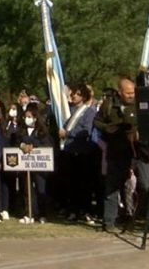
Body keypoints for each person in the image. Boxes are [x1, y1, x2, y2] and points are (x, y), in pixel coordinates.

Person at [95, 79, 137, 232]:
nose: (131, 96)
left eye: (133, 92)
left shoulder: (140, 104)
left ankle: (133, 219)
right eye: (128, 93)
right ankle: (109, 222)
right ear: (120, 92)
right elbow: (97, 122)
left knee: (136, 188)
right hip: (115, 151)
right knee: (112, 188)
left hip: (136, 151)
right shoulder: (109, 105)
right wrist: (110, 129)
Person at [58, 83, 97, 222]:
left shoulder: (89, 111)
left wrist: (68, 133)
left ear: (84, 96)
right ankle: (72, 210)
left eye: (77, 94)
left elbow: (86, 130)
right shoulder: (74, 110)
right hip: (70, 151)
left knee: (83, 183)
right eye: (73, 93)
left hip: (81, 152)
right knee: (72, 183)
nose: (74, 96)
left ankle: (84, 210)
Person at [14, 106, 51, 223]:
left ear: (35, 118)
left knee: (41, 189)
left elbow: (45, 144)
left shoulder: (42, 131)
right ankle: (29, 213)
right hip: (25, 166)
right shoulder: (21, 131)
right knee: (27, 190)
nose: (27, 119)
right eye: (25, 117)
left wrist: (33, 146)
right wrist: (22, 145)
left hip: (39, 167)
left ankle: (42, 214)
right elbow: (16, 142)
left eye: (29, 117)